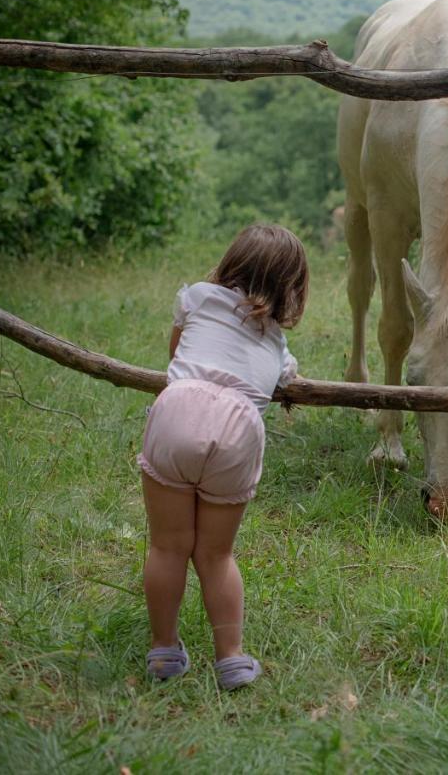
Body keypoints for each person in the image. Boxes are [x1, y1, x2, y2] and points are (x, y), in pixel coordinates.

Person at [137, 224, 308, 689]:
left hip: (179, 407)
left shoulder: (195, 297)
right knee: (216, 554)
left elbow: (175, 356)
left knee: (168, 546)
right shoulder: (277, 345)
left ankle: (163, 652)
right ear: (290, 288)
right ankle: (231, 659)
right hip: (238, 429)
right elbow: (282, 381)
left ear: (231, 262)